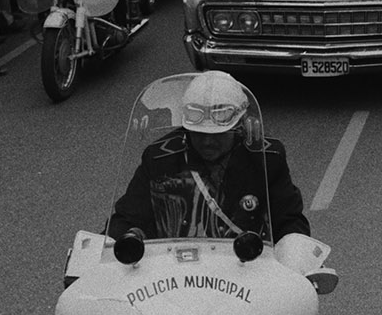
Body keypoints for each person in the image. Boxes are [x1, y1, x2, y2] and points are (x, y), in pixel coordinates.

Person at [109, 71, 310, 243]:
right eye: (198, 133)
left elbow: (290, 221)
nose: (207, 141)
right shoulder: (159, 158)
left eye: (217, 134)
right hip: (173, 274)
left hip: (247, 270)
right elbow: (127, 218)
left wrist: (295, 257)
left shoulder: (266, 158)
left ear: (238, 127)